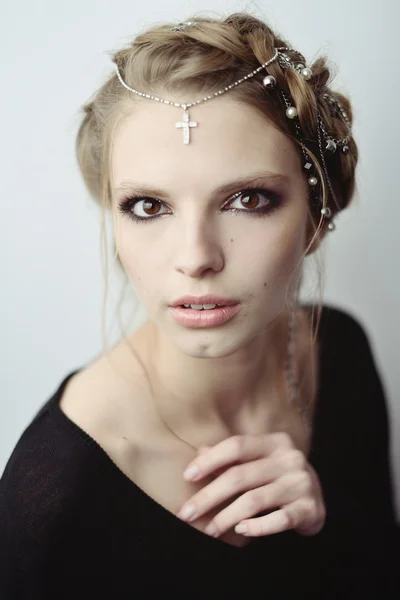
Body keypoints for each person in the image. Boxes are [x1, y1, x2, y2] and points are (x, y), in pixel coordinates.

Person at [0, 11, 399, 598]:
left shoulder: (336, 349)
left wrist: (327, 522)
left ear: (315, 217)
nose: (196, 257)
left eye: (248, 198)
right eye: (148, 207)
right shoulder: (58, 495)